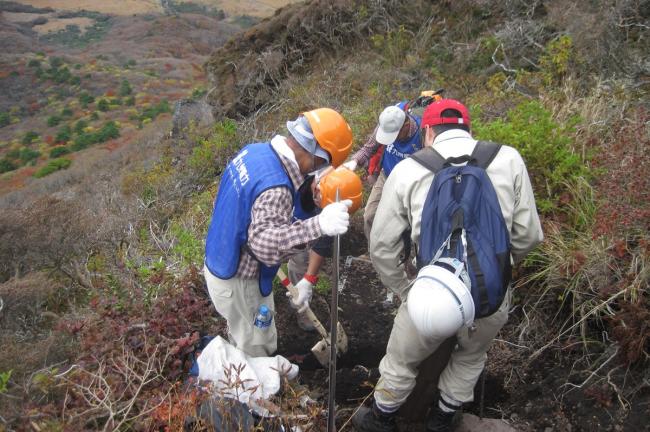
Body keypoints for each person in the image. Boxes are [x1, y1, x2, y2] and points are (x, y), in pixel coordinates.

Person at [352, 99, 544, 432]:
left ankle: (380, 418)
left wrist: (405, 291)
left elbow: (382, 247)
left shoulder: (408, 170)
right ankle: (442, 419)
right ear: (469, 128)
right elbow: (529, 237)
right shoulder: (508, 158)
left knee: (401, 361)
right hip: (488, 295)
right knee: (470, 356)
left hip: (431, 291)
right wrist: (498, 271)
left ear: (427, 132)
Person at [203, 108, 353, 358]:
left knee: (243, 330)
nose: (318, 172)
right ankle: (256, 392)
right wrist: (318, 225)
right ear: (316, 155)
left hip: (219, 260)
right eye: (323, 164)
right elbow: (263, 244)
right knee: (258, 347)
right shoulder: (277, 188)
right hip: (239, 281)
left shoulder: (254, 151)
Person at [286, 166, 363, 330]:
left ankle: (302, 308)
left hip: (305, 235)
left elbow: (321, 245)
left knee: (301, 265)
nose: (321, 207)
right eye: (321, 204)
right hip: (280, 226)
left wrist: (308, 279)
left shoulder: (337, 195)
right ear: (318, 189)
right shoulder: (293, 181)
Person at [342, 102, 422, 244]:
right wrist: (353, 162)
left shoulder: (422, 132)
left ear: (405, 126)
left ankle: (407, 257)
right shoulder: (386, 124)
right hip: (387, 175)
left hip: (412, 182)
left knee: (410, 223)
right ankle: (375, 252)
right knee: (370, 216)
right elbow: (369, 148)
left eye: (394, 135)